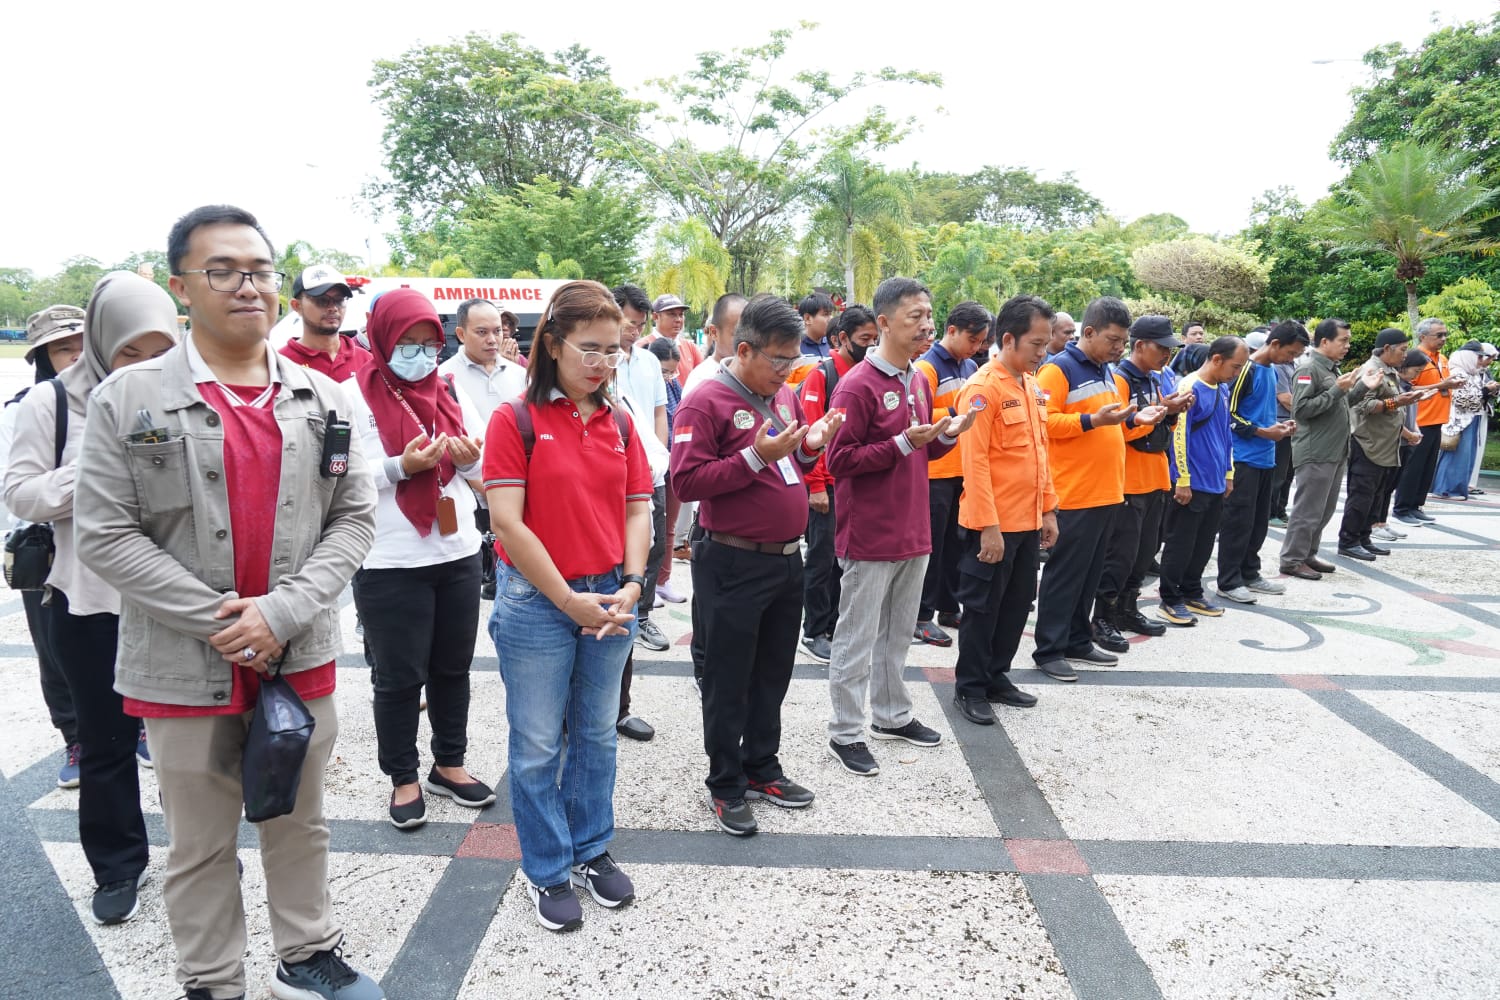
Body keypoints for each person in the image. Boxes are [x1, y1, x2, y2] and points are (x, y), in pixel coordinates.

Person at [75, 205, 383, 1000]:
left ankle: (307, 953)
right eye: (223, 270)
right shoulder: (128, 399)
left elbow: (353, 520)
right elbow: (107, 535)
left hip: (299, 653)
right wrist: (226, 622)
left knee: (299, 819)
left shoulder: (326, 400)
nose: (248, 285)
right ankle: (212, 979)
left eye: (260, 269)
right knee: (200, 841)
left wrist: (278, 613)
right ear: (181, 287)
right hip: (184, 664)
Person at [5, 273, 176, 926]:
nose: (143, 365)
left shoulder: (186, 396)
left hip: (174, 601)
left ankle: (198, 849)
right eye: (129, 349)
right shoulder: (48, 404)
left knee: (188, 743)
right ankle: (118, 865)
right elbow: (21, 493)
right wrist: (97, 466)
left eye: (158, 349)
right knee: (106, 745)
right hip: (89, 600)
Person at [484, 279, 651, 933]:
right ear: (551, 344)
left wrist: (634, 582)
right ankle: (548, 866)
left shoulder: (621, 420)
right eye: (590, 348)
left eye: (612, 350)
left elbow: (638, 505)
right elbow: (508, 524)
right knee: (534, 745)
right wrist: (566, 599)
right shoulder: (515, 419)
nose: (602, 362)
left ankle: (590, 848)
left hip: (612, 592)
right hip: (537, 602)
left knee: (595, 733)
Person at [671, 294, 842, 835]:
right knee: (728, 676)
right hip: (731, 559)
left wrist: (810, 446)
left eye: (793, 359)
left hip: (787, 558)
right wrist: (755, 457)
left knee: (773, 672)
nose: (787, 370)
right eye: (777, 359)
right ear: (743, 349)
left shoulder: (785, 394)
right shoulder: (707, 401)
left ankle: (762, 765)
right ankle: (725, 782)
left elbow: (789, 462)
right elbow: (687, 481)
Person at [348, 289, 493, 830]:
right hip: (388, 560)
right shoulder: (348, 395)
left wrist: (470, 460)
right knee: (399, 678)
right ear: (382, 339)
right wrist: (397, 467)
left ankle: (448, 764)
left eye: (428, 344)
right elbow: (332, 476)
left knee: (453, 669)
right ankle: (403, 777)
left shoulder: (451, 389)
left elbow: (484, 471)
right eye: (407, 344)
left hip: (455, 551)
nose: (420, 354)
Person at [824, 277, 975, 776]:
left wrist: (947, 435)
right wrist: (902, 445)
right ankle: (847, 731)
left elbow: (923, 447)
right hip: (869, 533)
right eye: (915, 317)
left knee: (897, 635)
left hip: (913, 528)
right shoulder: (856, 385)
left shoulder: (918, 378)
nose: (927, 325)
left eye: (929, 316)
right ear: (883, 323)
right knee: (856, 637)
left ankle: (892, 714)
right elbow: (839, 460)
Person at [1032, 297, 1164, 682]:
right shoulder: (1059, 370)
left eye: (1123, 341)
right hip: (1075, 492)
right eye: (1113, 340)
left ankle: (1076, 638)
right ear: (1088, 333)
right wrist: (1090, 420)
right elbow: (1043, 422)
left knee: (1090, 574)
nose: (1119, 348)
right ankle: (1049, 648)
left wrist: (1140, 419)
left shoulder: (1105, 371)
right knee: (1065, 574)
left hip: (1107, 491)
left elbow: (1114, 427)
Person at [950, 295, 1058, 725]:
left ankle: (997, 676)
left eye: (1047, 343)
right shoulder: (982, 389)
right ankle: (970, 687)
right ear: (1008, 339)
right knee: (982, 609)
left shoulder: (1030, 386)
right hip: (992, 525)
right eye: (1036, 343)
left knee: (1016, 605)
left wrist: (1048, 511)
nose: (1043, 352)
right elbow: (972, 465)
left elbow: (1040, 454)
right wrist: (988, 527)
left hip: (1028, 521)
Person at [3, 305, 85, 787]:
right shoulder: (24, 408)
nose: (74, 355)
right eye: (61, 348)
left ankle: (133, 726)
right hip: (46, 548)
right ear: (42, 356)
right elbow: (16, 494)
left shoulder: (117, 398)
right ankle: (75, 737)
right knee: (54, 648)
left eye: (80, 343)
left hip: (108, 547)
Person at [1095, 315, 1188, 645]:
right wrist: (1159, 413)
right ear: (1140, 346)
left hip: (1155, 477)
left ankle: (1127, 607)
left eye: (1170, 349)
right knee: (1120, 554)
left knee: (1145, 551)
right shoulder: (1120, 380)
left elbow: (1163, 430)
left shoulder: (1156, 379)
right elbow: (1120, 431)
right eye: (1162, 348)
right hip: (1128, 481)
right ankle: (1103, 616)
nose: (1167, 354)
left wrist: (1171, 412)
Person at [798, 306, 877, 663]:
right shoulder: (823, 375)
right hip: (826, 485)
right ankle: (814, 630)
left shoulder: (866, 375)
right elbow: (810, 433)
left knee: (843, 560)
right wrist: (816, 485)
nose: (871, 346)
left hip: (853, 485)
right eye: (864, 340)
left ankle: (833, 625)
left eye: (875, 339)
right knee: (821, 557)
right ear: (841, 339)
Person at [912, 301, 991, 647]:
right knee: (930, 547)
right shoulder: (926, 368)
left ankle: (947, 605)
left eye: (981, 342)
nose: (976, 347)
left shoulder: (970, 365)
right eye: (972, 339)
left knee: (954, 547)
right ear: (952, 330)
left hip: (961, 468)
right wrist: (958, 409)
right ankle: (920, 615)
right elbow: (920, 414)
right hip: (934, 471)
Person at [1156, 337, 1248, 626]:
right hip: (1191, 482)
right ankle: (1170, 598)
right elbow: (1178, 436)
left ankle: (1192, 591)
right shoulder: (1189, 387)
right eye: (1234, 366)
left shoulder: (1222, 388)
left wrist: (1229, 473)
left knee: (1203, 543)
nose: (1236, 373)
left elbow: (1225, 433)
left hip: (1215, 481)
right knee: (1180, 543)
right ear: (1217, 359)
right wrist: (1182, 478)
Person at [441, 298, 528, 602]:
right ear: (461, 334)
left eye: (497, 331)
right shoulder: (443, 379)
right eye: (482, 332)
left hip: (518, 492)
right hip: (472, 494)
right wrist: (490, 490)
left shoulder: (520, 375)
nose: (492, 339)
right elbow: (450, 443)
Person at [1213, 321, 1306, 604]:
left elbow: (1261, 412)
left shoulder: (1270, 370)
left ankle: (1250, 573)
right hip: (1243, 458)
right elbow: (1228, 412)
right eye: (1290, 353)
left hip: (1266, 457)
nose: (1291, 360)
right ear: (1274, 344)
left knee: (1258, 523)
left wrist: (1280, 426)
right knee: (1237, 522)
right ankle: (1228, 581)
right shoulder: (1247, 370)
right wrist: (1260, 431)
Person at [611, 285, 670, 656]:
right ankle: (621, 610)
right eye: (628, 323)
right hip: (617, 472)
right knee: (623, 548)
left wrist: (660, 456)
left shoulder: (649, 361)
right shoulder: (599, 359)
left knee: (656, 545)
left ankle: (643, 614)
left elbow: (659, 412)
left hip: (653, 469)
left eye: (639, 324)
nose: (634, 330)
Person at [1279, 319, 1358, 580]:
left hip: (1334, 450)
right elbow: (1301, 410)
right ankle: (1292, 559)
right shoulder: (1308, 369)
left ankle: (1308, 553)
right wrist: (1337, 390)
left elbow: (1339, 403)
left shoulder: (1331, 369)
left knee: (1323, 509)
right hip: (1316, 451)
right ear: (1324, 342)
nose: (1347, 345)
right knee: (1308, 510)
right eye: (1342, 340)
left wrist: (1361, 387)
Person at [1339, 331, 1427, 559]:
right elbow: (1361, 406)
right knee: (1361, 495)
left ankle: (1363, 537)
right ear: (1387, 348)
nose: (1405, 355)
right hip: (1368, 443)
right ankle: (1348, 541)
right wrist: (1395, 401)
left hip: (1385, 444)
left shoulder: (1389, 372)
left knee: (1376, 495)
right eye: (1403, 349)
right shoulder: (1371, 369)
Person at [1393, 318, 1463, 524]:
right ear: (1423, 337)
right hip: (1420, 420)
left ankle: (1415, 505)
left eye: (1445, 334)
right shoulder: (1414, 358)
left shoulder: (1442, 359)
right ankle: (1402, 508)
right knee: (1412, 467)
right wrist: (1442, 384)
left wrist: (1450, 385)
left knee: (1426, 468)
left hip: (1438, 419)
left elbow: (1441, 385)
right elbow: (1405, 387)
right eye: (1438, 335)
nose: (1443, 338)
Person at [646, 337, 688, 605]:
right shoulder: (646, 385)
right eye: (664, 371)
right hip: (651, 463)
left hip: (674, 461)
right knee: (651, 527)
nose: (669, 376)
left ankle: (664, 580)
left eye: (673, 370)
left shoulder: (674, 386)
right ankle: (646, 585)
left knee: (669, 525)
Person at [279, 264, 371, 381]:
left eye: (339, 300)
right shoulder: (281, 364)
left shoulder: (367, 361)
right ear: (297, 306)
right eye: (322, 300)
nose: (333, 308)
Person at [1431, 349, 1489, 499]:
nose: (1480, 360)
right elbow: (1459, 399)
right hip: (1459, 421)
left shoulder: (1473, 373)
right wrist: (1485, 392)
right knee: (1456, 454)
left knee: (1465, 456)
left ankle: (1455, 489)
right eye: (1478, 357)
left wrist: (1487, 392)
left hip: (1471, 418)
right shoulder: (1458, 372)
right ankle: (1446, 489)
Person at [798, 291, 837, 359]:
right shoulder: (796, 348)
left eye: (831, 314)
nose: (831, 318)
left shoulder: (834, 344)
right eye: (826, 314)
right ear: (807, 319)